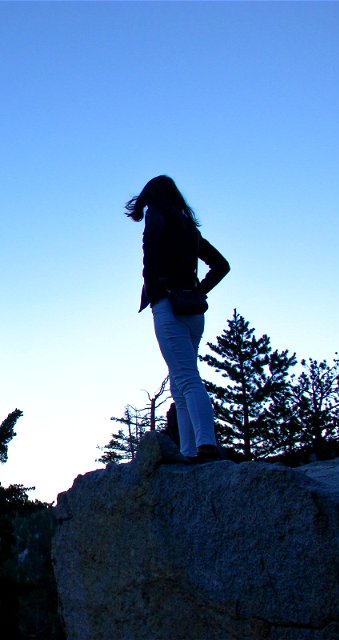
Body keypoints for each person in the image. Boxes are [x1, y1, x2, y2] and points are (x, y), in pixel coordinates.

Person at [126, 175, 230, 463]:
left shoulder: (156, 214)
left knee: (186, 377)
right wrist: (198, 290)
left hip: (168, 305)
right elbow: (222, 266)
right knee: (180, 380)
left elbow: (150, 255)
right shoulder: (190, 229)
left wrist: (155, 286)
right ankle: (188, 450)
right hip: (192, 311)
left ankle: (206, 445)